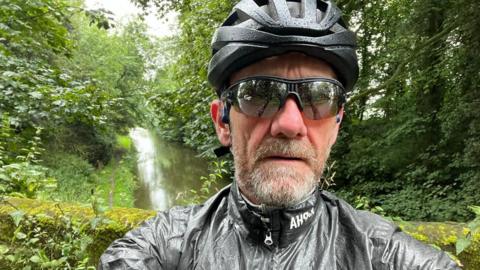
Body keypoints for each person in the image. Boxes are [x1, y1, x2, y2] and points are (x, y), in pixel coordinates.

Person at [99, 0, 460, 269]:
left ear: (337, 125)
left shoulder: (382, 253)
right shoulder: (166, 246)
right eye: (258, 93)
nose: (290, 124)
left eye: (320, 97)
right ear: (223, 122)